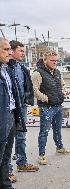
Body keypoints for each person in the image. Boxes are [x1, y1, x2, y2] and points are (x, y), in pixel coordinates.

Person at [32, 50, 70, 165]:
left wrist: (63, 92)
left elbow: (62, 84)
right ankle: (41, 155)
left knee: (58, 129)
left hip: (58, 106)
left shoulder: (57, 72)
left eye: (56, 60)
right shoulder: (37, 73)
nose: (55, 62)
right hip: (46, 107)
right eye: (52, 60)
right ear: (45, 60)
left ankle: (59, 147)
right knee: (44, 132)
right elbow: (35, 90)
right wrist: (46, 98)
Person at [7, 41, 39, 180]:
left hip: (21, 107)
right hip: (9, 109)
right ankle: (7, 171)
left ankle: (22, 162)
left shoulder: (21, 67)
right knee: (7, 139)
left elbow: (26, 86)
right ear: (12, 51)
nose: (23, 53)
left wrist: (26, 99)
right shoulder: (5, 67)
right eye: (20, 50)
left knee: (21, 136)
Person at [0, 37, 26, 189]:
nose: (10, 52)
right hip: (2, 120)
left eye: (10, 49)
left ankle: (5, 184)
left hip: (10, 116)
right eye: (5, 49)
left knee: (6, 157)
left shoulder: (7, 69)